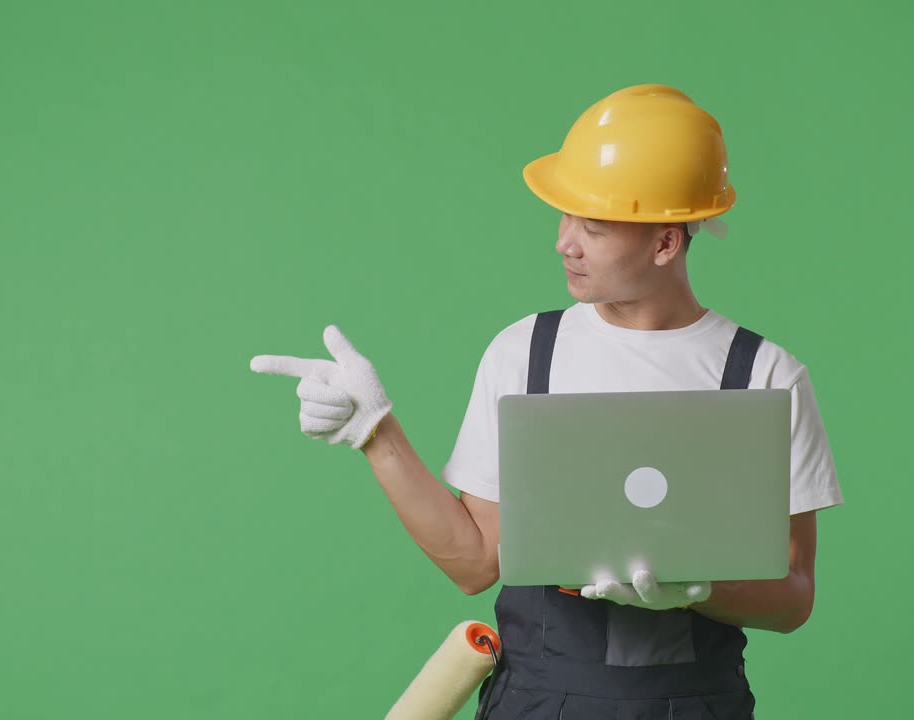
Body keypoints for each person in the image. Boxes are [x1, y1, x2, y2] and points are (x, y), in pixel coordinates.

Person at [250, 84, 843, 719]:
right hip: (536, 704)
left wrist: (695, 591)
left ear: (665, 243)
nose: (565, 242)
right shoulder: (527, 352)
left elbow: (794, 597)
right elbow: (476, 562)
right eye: (564, 216)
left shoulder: (764, 375)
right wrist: (376, 432)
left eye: (591, 225)